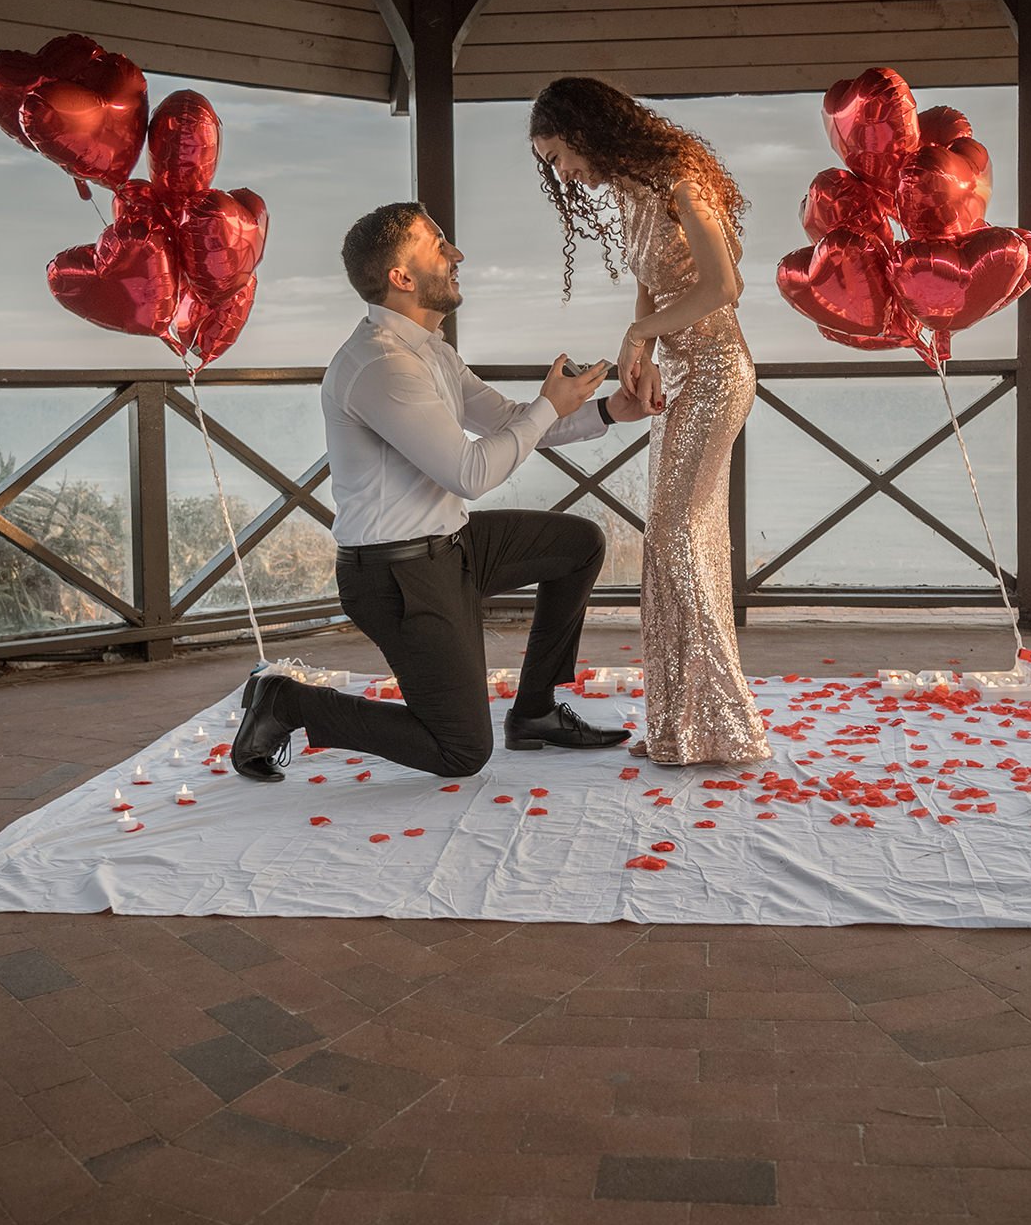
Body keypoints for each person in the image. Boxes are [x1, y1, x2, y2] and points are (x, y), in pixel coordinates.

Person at [229, 201, 662, 782]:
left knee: (578, 543)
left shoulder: (430, 349)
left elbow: (511, 419)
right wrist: (547, 407)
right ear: (401, 278)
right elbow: (471, 473)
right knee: (461, 752)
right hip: (396, 574)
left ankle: (534, 713)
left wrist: (609, 410)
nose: (456, 254)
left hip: (451, 545)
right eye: (439, 245)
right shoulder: (380, 365)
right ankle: (285, 702)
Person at [529, 78, 771, 768]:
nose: (561, 173)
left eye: (557, 156)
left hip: (720, 371)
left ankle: (724, 721)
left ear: (586, 129)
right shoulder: (633, 188)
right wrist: (646, 350)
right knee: (681, 540)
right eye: (551, 164)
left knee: (672, 535)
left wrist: (641, 331)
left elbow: (725, 286)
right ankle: (681, 724)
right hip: (679, 372)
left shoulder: (681, 179)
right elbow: (650, 276)